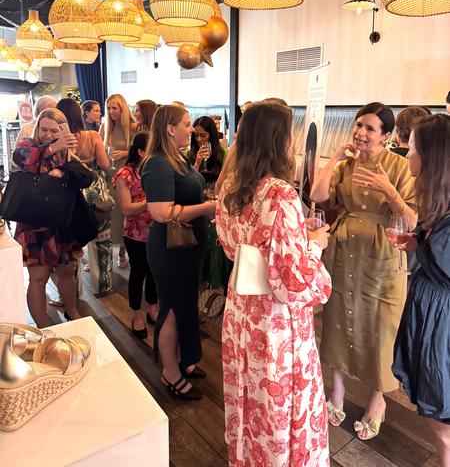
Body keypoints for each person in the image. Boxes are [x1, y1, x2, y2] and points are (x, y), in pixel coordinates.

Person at [216, 102, 331, 466]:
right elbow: (294, 283)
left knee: (249, 397)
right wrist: (315, 245)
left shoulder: (230, 187)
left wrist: (293, 237)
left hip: (240, 313)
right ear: (279, 140)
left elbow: (232, 246)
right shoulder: (280, 195)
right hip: (274, 320)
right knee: (279, 400)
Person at [310, 101, 417, 440]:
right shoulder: (347, 165)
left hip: (383, 253)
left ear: (386, 136)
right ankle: (337, 391)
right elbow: (317, 194)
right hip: (344, 250)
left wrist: (389, 191)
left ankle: (377, 401)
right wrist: (334, 159)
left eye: (370, 128)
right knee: (337, 319)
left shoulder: (401, 167)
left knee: (381, 327)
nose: (361, 133)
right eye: (358, 125)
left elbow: (413, 222)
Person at [141, 105, 216, 401]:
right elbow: (161, 212)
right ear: (170, 129)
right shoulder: (157, 163)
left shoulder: (178, 158)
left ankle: (184, 360)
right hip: (170, 249)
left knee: (185, 306)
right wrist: (206, 208)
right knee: (172, 309)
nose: (191, 129)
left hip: (187, 247)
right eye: (186, 124)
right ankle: (170, 373)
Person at [392, 114, 450, 467]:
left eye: (411, 148)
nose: (407, 154)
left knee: (441, 415)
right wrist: (417, 244)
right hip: (430, 311)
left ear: (431, 157)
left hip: (442, 322)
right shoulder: (437, 201)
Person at [13, 108, 82, 327]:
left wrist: (68, 162)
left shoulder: (65, 150)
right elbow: (22, 159)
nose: (48, 134)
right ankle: (42, 328)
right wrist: (53, 147)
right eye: (44, 129)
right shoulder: (28, 144)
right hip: (33, 224)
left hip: (61, 222)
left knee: (67, 271)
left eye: (54, 130)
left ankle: (73, 312)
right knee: (38, 278)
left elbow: (82, 176)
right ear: (37, 127)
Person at [57, 98, 112, 295]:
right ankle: (103, 285)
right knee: (102, 241)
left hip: (72, 195)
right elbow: (105, 165)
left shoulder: (59, 141)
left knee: (73, 245)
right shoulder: (93, 136)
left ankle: (74, 292)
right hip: (97, 194)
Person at [113, 131, 158, 339]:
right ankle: (137, 314)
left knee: (154, 271)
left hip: (157, 229)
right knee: (138, 272)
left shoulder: (156, 170)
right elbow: (126, 208)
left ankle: (153, 307)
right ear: (140, 151)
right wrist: (150, 202)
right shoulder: (125, 174)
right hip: (135, 233)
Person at [100, 94, 138, 264]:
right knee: (109, 216)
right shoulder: (105, 127)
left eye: (114, 108)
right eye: (108, 108)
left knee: (123, 215)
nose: (111, 111)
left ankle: (123, 253)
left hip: (126, 177)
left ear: (123, 109)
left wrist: (125, 153)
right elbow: (99, 149)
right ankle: (104, 254)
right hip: (109, 175)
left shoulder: (133, 127)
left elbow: (141, 152)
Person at [188, 116, 225, 183]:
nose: (199, 139)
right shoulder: (189, 154)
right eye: (196, 135)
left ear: (212, 135)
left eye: (203, 135)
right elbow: (189, 182)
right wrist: (197, 163)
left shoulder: (222, 154)